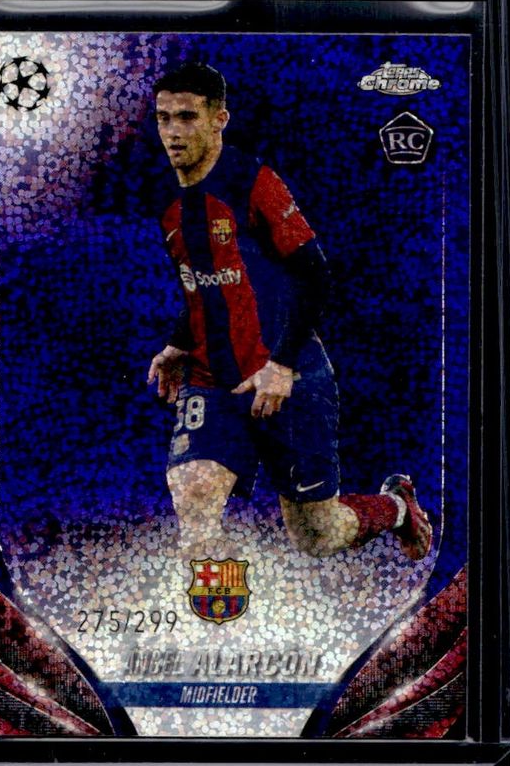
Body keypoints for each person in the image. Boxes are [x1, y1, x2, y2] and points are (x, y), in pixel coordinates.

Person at [147, 62, 432, 561]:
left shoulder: (253, 183)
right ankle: (220, 607)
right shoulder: (166, 197)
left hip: (288, 376)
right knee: (193, 500)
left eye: (187, 117)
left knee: (317, 535)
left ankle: (395, 507)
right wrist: (178, 341)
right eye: (164, 118)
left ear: (219, 119)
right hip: (212, 378)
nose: (173, 132)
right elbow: (208, 285)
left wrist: (280, 364)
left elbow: (314, 276)